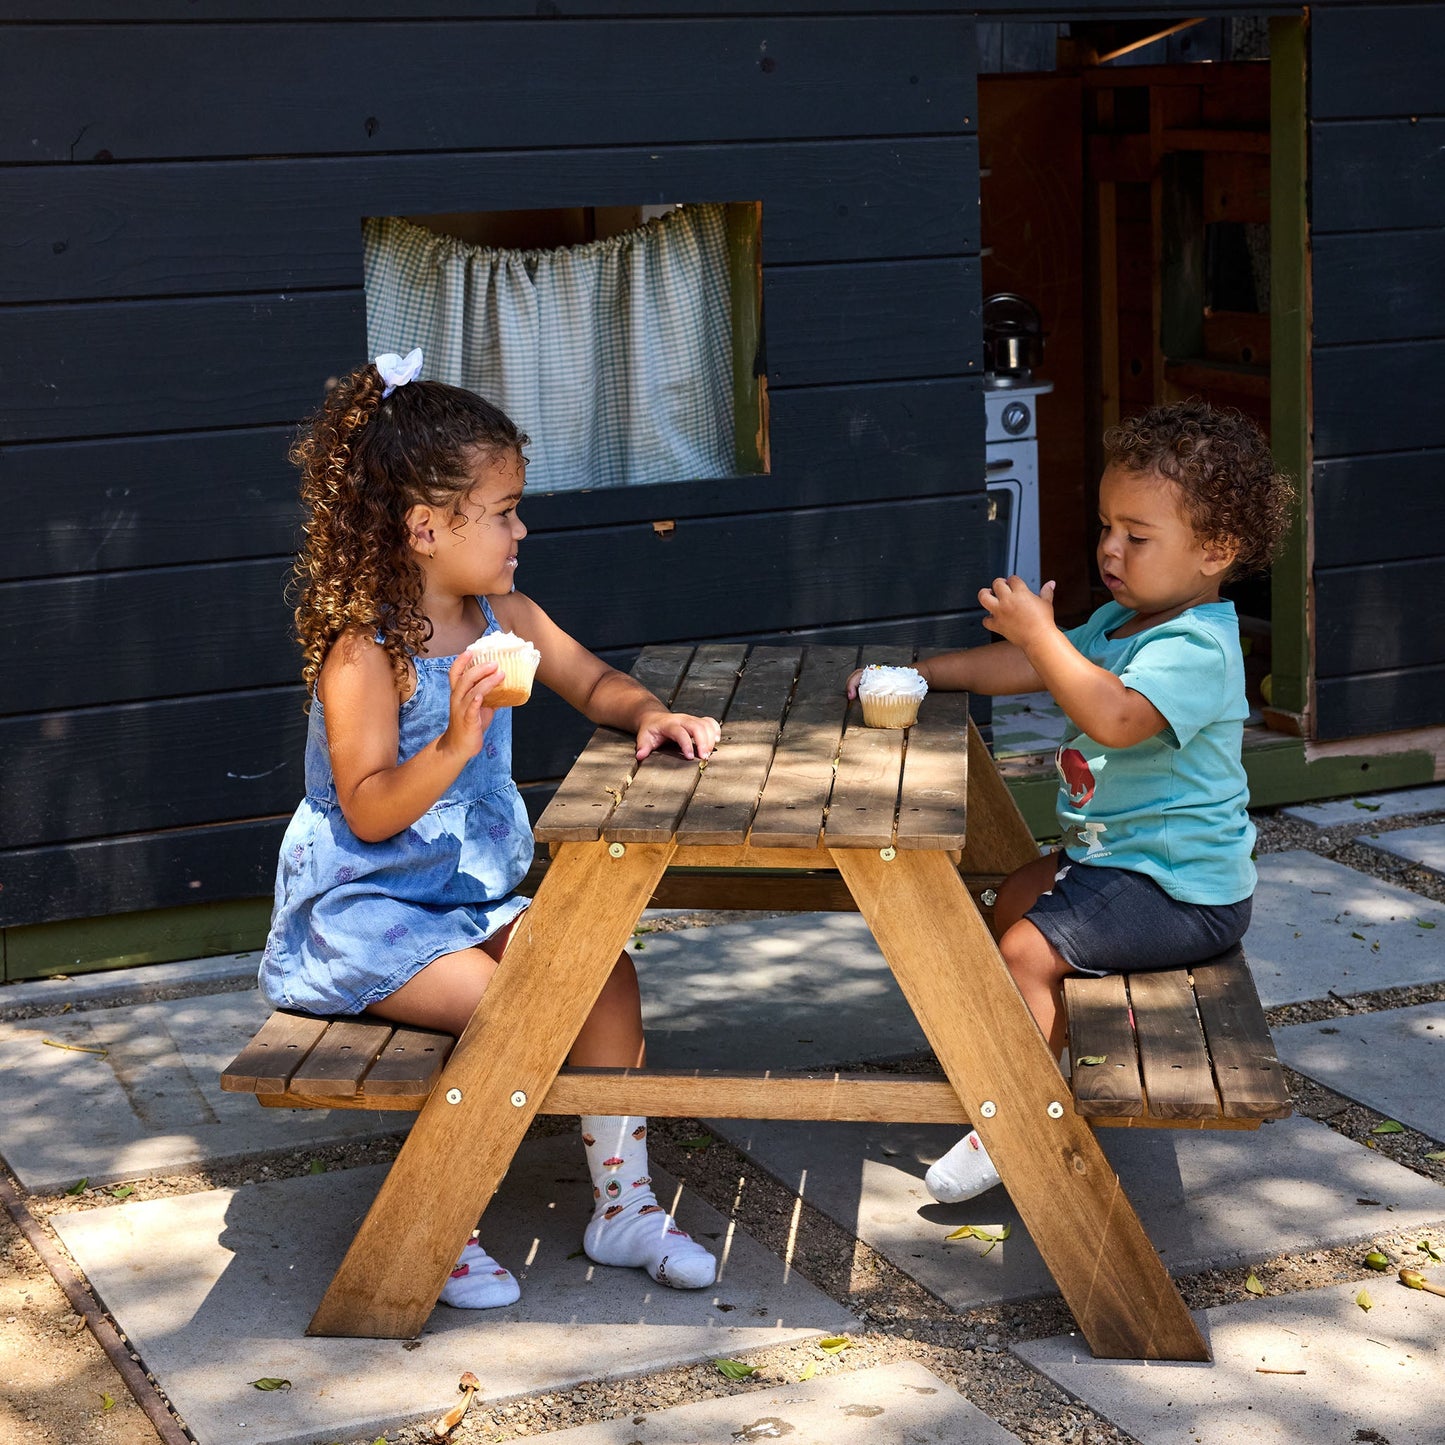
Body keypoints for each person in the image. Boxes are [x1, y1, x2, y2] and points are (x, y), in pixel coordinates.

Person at [259, 348, 723, 1306]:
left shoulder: (500, 614)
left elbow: (590, 678)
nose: (520, 529)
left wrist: (644, 713)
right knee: (506, 1007)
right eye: (504, 510)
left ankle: (623, 1205)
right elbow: (370, 805)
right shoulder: (366, 653)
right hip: (367, 911)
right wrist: (461, 736)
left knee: (602, 968)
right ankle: (445, 1213)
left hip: (464, 899)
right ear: (426, 527)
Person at [848, 399, 1294, 1204]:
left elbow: (1113, 717)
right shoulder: (1123, 620)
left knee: (1026, 948)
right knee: (1008, 897)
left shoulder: (1196, 645)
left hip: (1180, 890)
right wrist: (918, 671)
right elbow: (1017, 669)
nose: (1109, 548)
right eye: (1105, 526)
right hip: (1112, 860)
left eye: (1136, 534)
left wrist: (1043, 633)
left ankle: (1014, 1120)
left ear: (1215, 550)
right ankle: (1019, 1053)